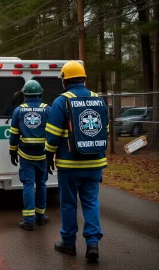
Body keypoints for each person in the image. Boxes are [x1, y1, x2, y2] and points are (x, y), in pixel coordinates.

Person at [45, 60, 109, 261]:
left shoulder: (61, 101)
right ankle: (92, 244)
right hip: (94, 162)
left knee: (69, 204)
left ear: (64, 81)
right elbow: (105, 130)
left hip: (69, 164)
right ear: (84, 78)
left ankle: (68, 243)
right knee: (91, 202)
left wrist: (48, 155)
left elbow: (53, 134)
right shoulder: (98, 100)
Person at [9, 80, 51, 231]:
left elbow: (14, 134)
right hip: (43, 155)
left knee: (28, 185)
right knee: (41, 184)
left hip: (26, 155)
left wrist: (12, 150)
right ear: (40, 93)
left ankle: (28, 221)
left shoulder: (19, 111)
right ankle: (41, 216)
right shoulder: (47, 110)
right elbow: (53, 133)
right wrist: (52, 154)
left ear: (25, 95)